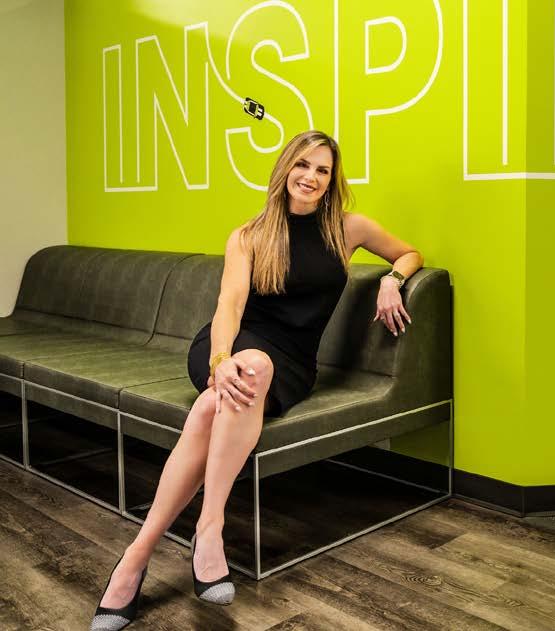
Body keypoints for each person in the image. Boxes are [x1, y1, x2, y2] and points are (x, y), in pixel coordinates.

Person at [90, 130, 422, 631]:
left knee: (209, 407)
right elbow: (229, 305)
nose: (311, 177)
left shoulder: (348, 228)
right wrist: (221, 359)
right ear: (285, 169)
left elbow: (408, 253)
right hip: (230, 347)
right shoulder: (249, 235)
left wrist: (392, 281)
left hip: (294, 363)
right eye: (302, 165)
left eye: (323, 170)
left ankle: (134, 559)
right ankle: (209, 529)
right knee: (252, 367)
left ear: (332, 179)